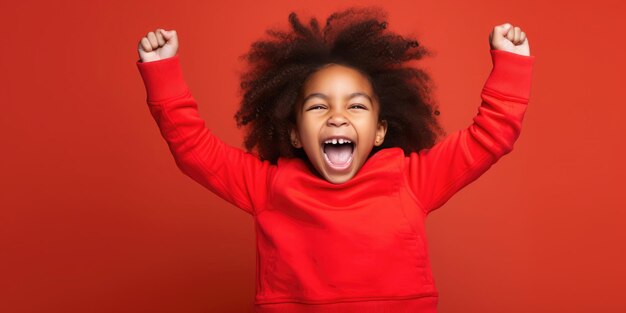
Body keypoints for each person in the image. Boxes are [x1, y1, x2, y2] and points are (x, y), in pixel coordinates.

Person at [136, 7, 534, 313]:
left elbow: (489, 137)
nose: (337, 116)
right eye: (318, 106)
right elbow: (194, 149)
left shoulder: (409, 179)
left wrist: (511, 66)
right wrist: (163, 73)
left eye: (356, 106)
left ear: (379, 131)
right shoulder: (269, 186)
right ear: (294, 133)